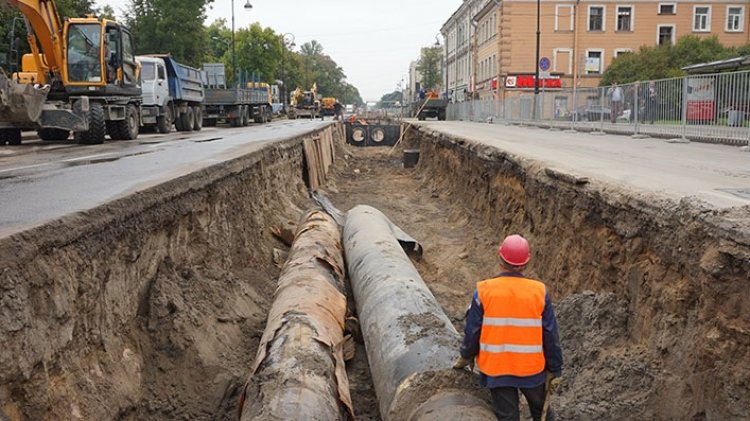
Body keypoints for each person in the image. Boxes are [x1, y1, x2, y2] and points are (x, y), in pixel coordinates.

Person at [454, 234, 563, 421]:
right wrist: (555, 368)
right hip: (531, 370)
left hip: (498, 369)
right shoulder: (539, 292)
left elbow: (473, 331)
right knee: (542, 413)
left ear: (500, 258)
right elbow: (550, 334)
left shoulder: (484, 291)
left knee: (508, 417)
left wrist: (466, 355)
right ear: (525, 264)